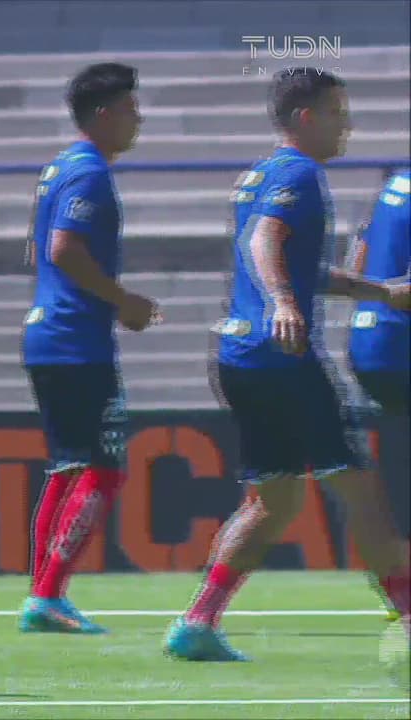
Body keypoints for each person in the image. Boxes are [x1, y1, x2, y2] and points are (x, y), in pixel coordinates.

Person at [165, 68, 411, 662]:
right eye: (337, 114)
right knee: (359, 488)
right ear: (306, 118)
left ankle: (198, 622)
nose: (346, 126)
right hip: (282, 358)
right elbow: (265, 243)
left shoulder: (261, 174)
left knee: (272, 502)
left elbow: (299, 266)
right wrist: (281, 302)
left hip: (240, 356)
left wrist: (380, 292)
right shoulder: (300, 173)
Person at [17, 63, 156, 635]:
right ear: (103, 115)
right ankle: (49, 596)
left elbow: (36, 252)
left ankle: (42, 594)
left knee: (67, 468)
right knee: (104, 470)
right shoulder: (90, 172)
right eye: (130, 110)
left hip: (49, 332)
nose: (137, 120)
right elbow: (63, 248)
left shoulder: (58, 168)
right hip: (76, 341)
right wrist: (122, 300)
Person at [345, 168, 410, 623]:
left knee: (399, 467)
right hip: (403, 342)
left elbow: (358, 258)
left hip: (370, 341)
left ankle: (396, 575)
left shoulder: (394, 183)